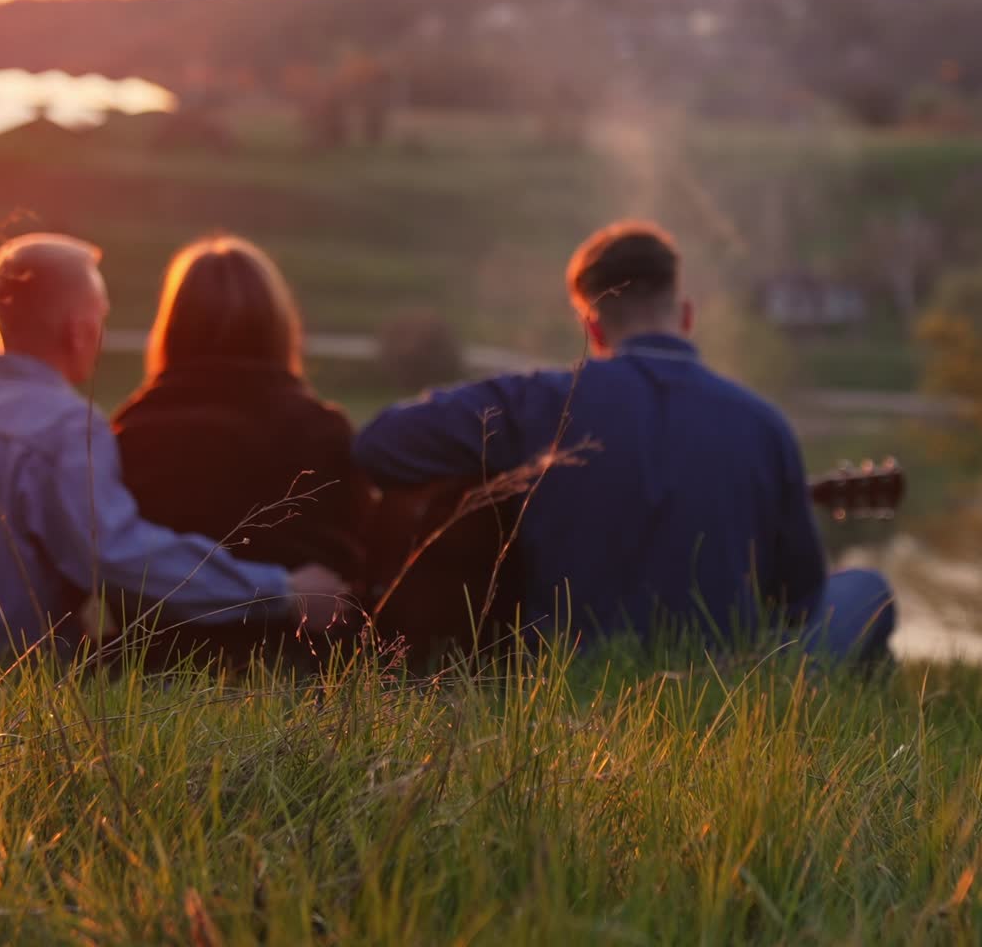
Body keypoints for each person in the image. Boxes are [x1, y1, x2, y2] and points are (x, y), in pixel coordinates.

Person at [355, 220, 894, 658]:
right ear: (684, 316)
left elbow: (380, 443)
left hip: (563, 661)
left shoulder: (539, 402)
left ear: (592, 327)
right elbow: (798, 600)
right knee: (864, 588)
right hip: (722, 675)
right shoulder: (764, 423)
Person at [0, 233, 348, 658]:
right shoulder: (65, 429)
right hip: (8, 667)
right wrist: (280, 591)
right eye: (101, 316)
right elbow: (117, 558)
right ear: (79, 331)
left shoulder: (115, 426)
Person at [112, 235, 369, 666]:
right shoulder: (325, 429)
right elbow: (356, 559)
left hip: (160, 659)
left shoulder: (131, 432)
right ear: (279, 327)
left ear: (172, 327)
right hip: (307, 660)